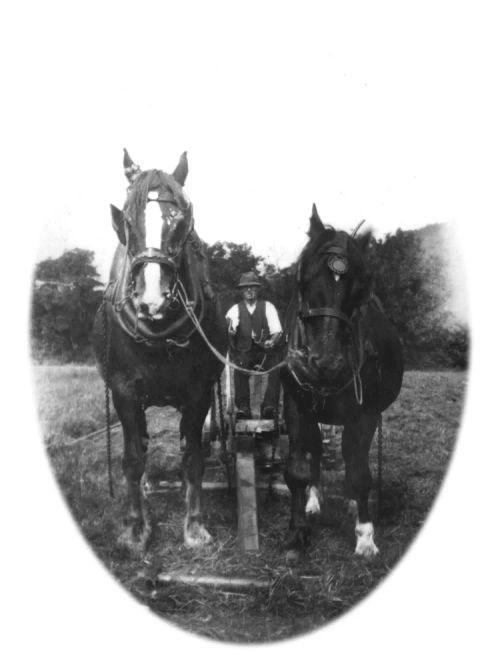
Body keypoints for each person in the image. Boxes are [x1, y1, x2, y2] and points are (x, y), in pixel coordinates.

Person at [226, 271, 283, 420]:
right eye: (246, 288)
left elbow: (277, 331)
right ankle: (243, 407)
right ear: (241, 291)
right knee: (239, 368)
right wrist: (230, 332)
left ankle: (269, 406)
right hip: (244, 351)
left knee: (276, 367)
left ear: (257, 290)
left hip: (265, 351)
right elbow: (229, 330)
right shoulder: (234, 310)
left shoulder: (268, 307)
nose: (249, 291)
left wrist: (272, 341)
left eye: (252, 287)